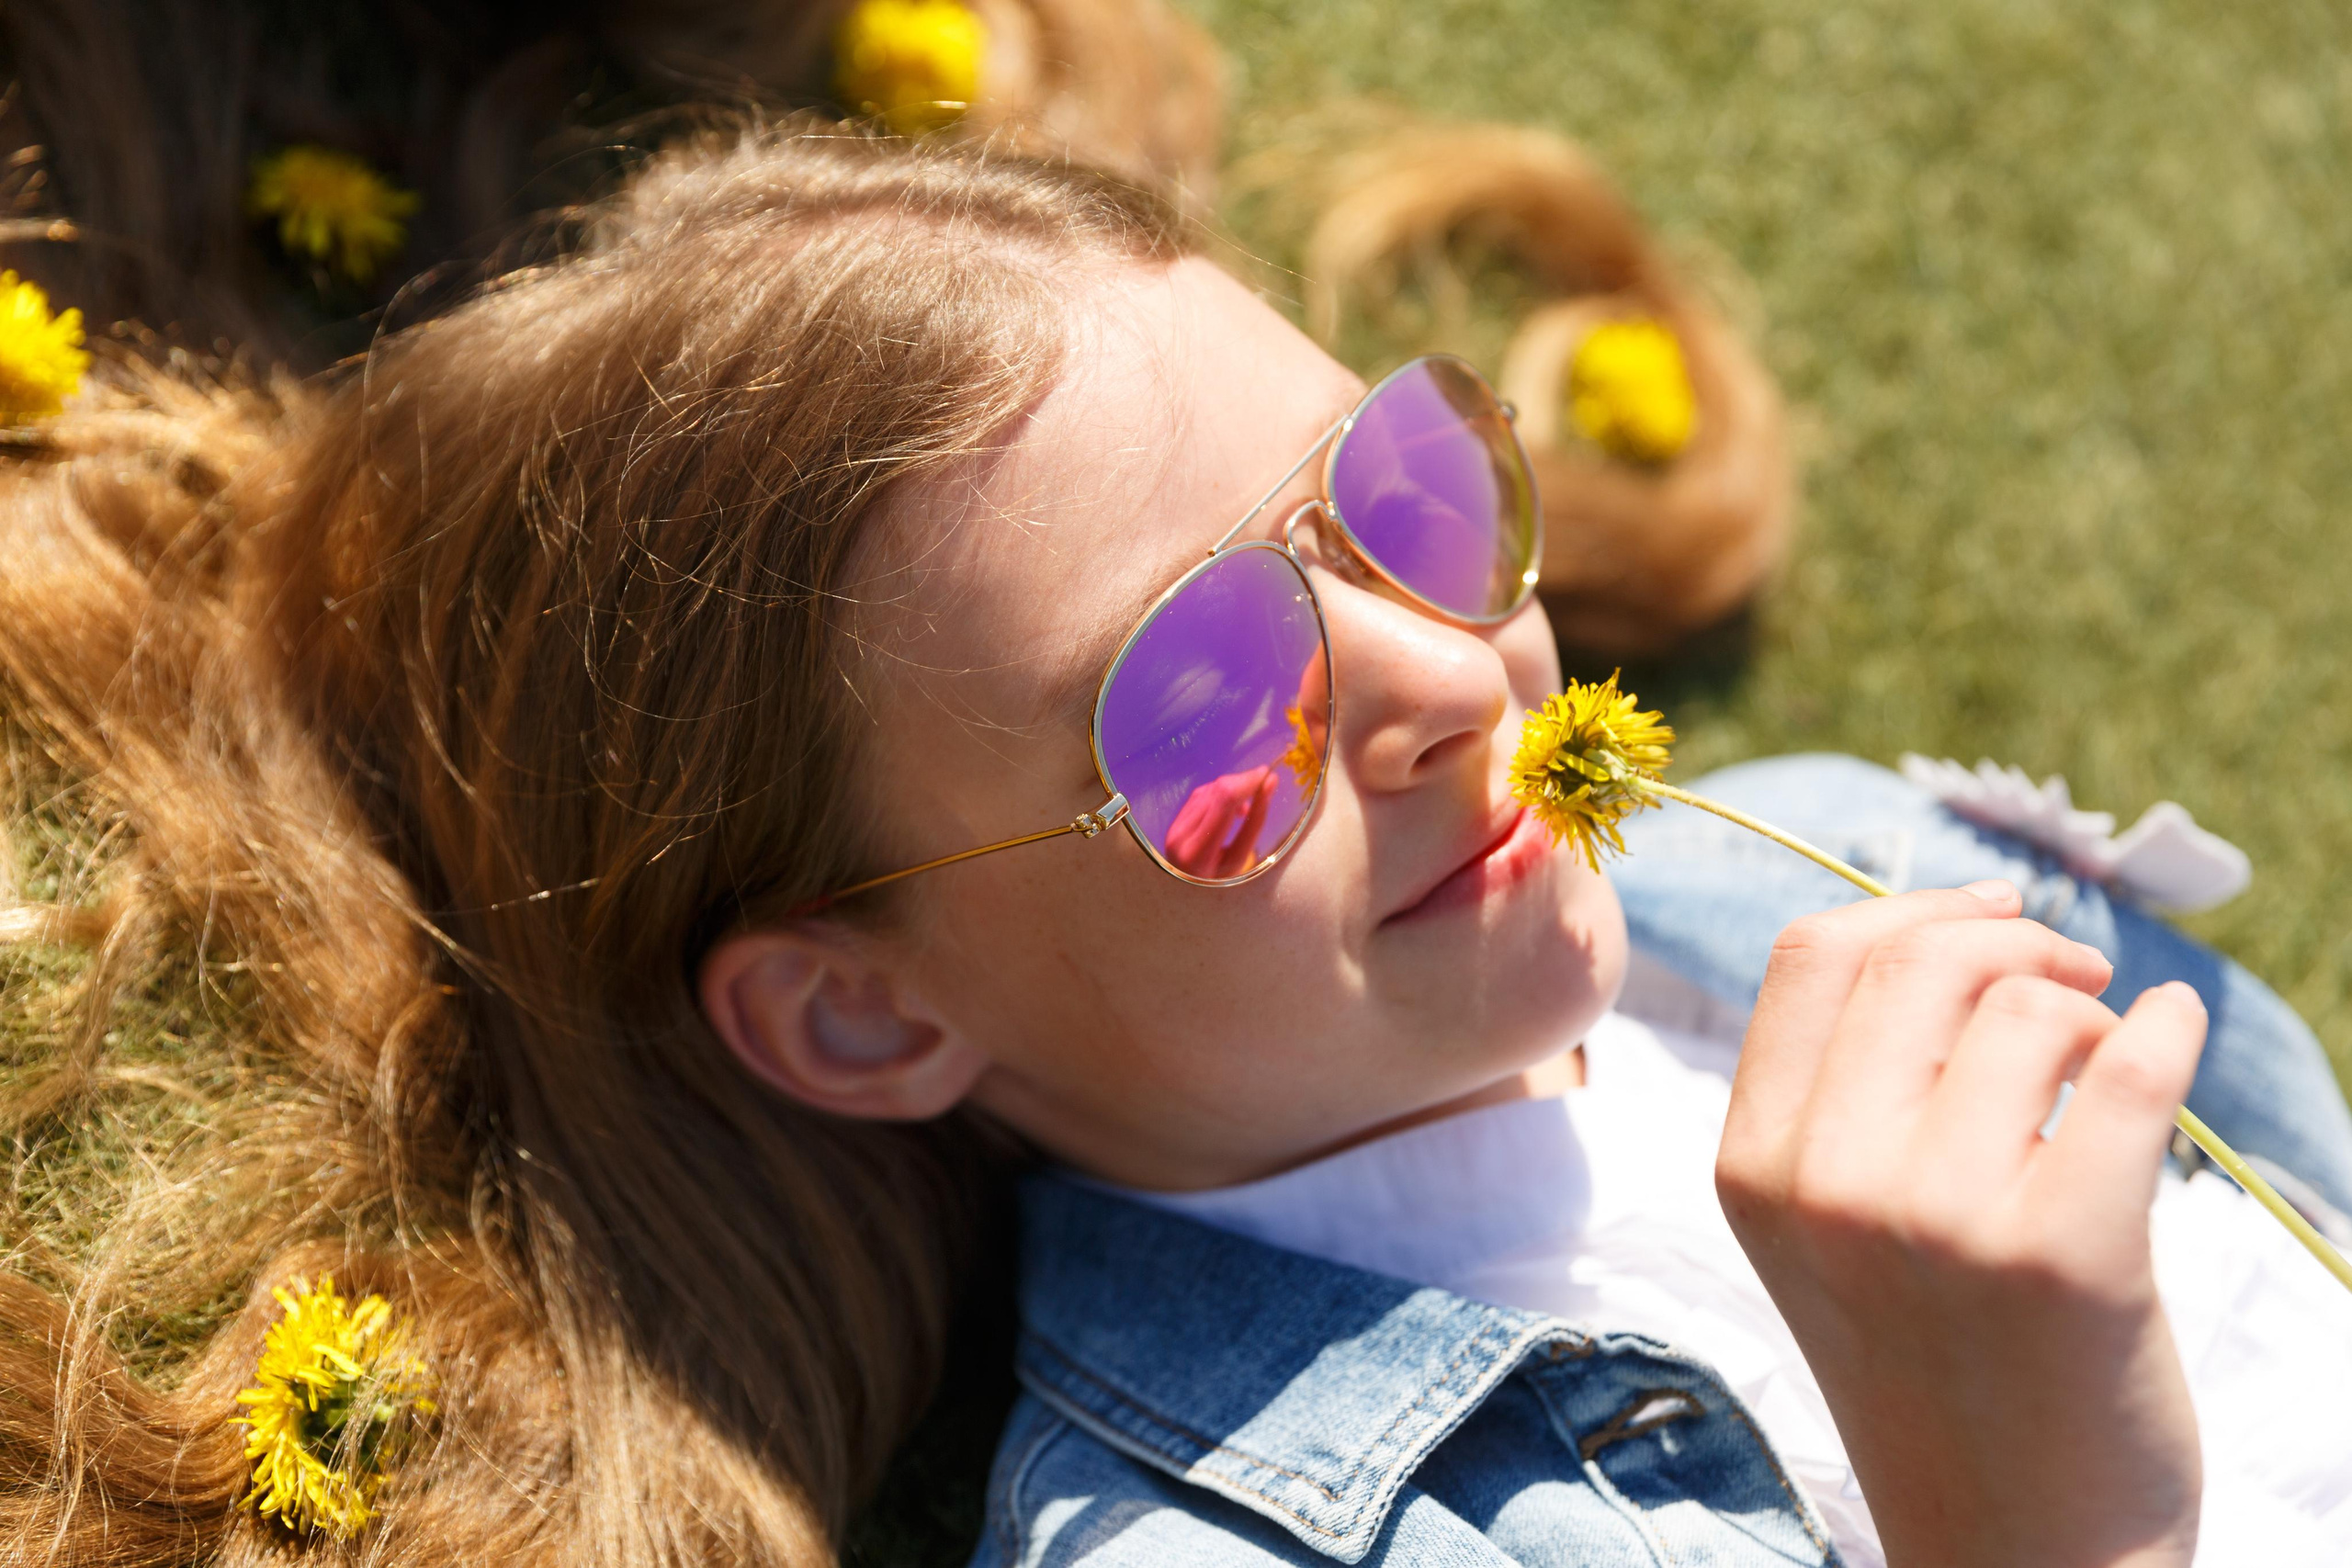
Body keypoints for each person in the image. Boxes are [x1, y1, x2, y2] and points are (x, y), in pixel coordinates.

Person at [1, 124, 2346, 1568]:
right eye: (1208, 703)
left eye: (1400, 498)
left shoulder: (1835, 860)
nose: (1439, 679)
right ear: (864, 1003)